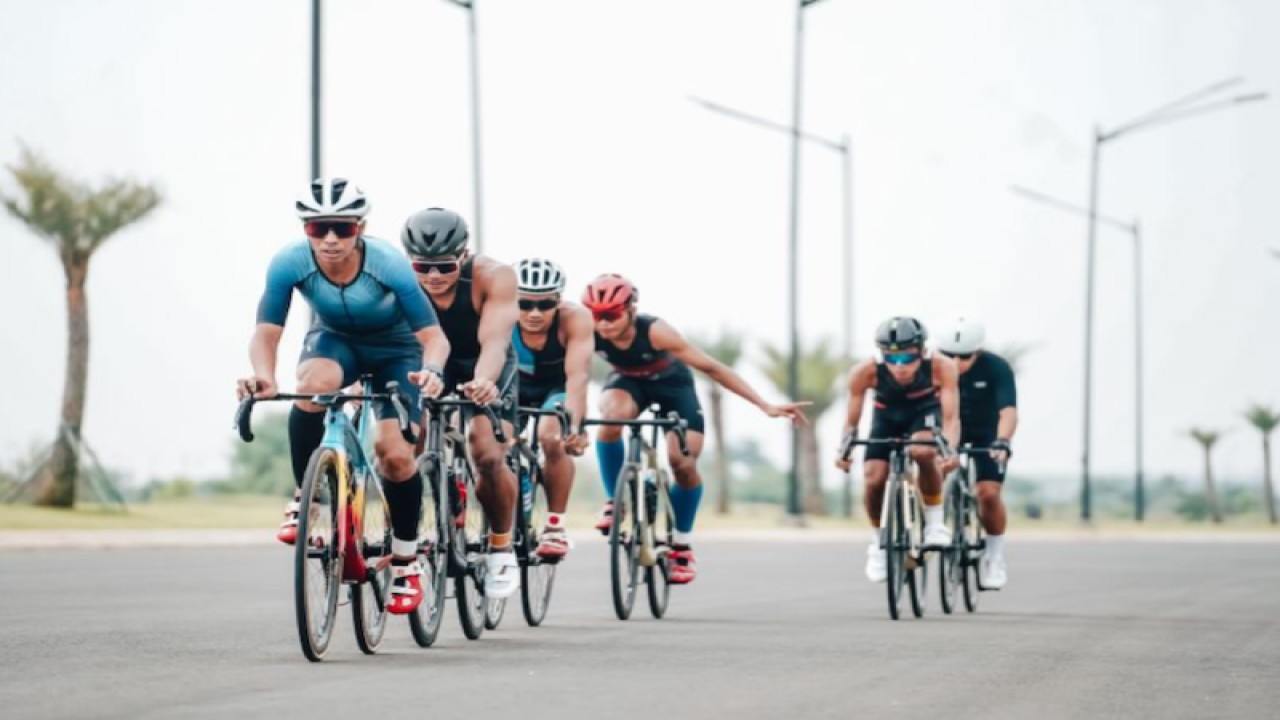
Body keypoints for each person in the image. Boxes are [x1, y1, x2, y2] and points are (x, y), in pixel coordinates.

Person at [238, 177, 448, 615]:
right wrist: (264, 376)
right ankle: (307, 496)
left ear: (361, 227)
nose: (331, 239)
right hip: (335, 342)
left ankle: (407, 561)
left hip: (396, 350)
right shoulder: (288, 263)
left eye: (343, 228)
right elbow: (266, 332)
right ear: (305, 231)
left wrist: (431, 372)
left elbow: (434, 338)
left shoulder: (388, 263)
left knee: (393, 454)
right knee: (312, 384)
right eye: (318, 229)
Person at [583, 273, 809, 584]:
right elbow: (571, 373)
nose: (603, 323)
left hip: (673, 387)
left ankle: (681, 545)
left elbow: (713, 368)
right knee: (610, 418)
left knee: (683, 463)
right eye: (596, 315)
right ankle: (615, 502)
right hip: (628, 383)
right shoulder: (587, 332)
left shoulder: (657, 332)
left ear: (631, 309)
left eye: (611, 315)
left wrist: (764, 405)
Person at [401, 207, 522, 599]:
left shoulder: (494, 276)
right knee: (405, 443)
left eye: (445, 266)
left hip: (482, 362)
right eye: (422, 267)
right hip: (429, 362)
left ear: (465, 254)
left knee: (486, 452)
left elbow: (496, 341)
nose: (433, 277)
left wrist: (485, 381)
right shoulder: (398, 280)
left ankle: (502, 547)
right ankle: (408, 533)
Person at [835, 316, 960, 583]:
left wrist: (949, 450)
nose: (899, 366)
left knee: (922, 451)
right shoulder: (864, 371)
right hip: (886, 417)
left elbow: (950, 418)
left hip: (924, 413)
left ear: (923, 351)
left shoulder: (941, 366)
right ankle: (877, 545)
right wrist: (844, 450)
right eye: (891, 359)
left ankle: (935, 523)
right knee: (873, 478)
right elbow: (851, 421)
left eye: (907, 358)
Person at [511, 258, 594, 560]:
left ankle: (555, 527)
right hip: (513, 386)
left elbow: (578, 377)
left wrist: (576, 428)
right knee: (489, 443)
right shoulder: (498, 315)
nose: (534, 313)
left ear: (559, 300)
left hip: (556, 390)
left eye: (545, 304)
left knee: (550, 437)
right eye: (523, 303)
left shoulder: (576, 319)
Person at [936, 316, 1017, 589]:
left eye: (965, 357)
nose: (956, 364)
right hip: (947, 430)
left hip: (986, 432)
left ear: (978, 352)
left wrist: (1002, 441)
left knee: (988, 493)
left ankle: (995, 558)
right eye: (949, 356)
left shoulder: (996, 367)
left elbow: (1008, 412)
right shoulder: (932, 368)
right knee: (928, 469)